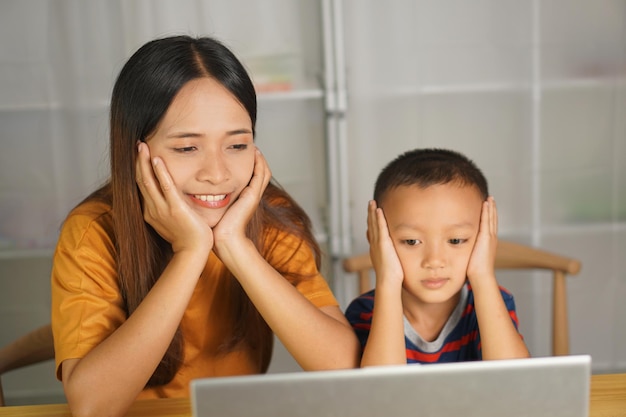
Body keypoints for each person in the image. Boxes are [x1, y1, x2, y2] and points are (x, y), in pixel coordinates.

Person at [50, 35, 360, 417]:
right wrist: (190, 252)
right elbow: (93, 406)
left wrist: (235, 245)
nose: (217, 174)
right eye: (186, 148)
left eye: (237, 145)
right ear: (136, 151)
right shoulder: (92, 233)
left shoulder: (271, 219)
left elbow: (345, 369)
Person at [345, 148, 530, 367]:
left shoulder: (490, 301)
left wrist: (483, 275)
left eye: (455, 240)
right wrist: (387, 279)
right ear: (377, 241)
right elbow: (381, 394)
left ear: (484, 238)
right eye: (411, 241)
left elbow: (514, 383)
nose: (434, 261)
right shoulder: (367, 311)